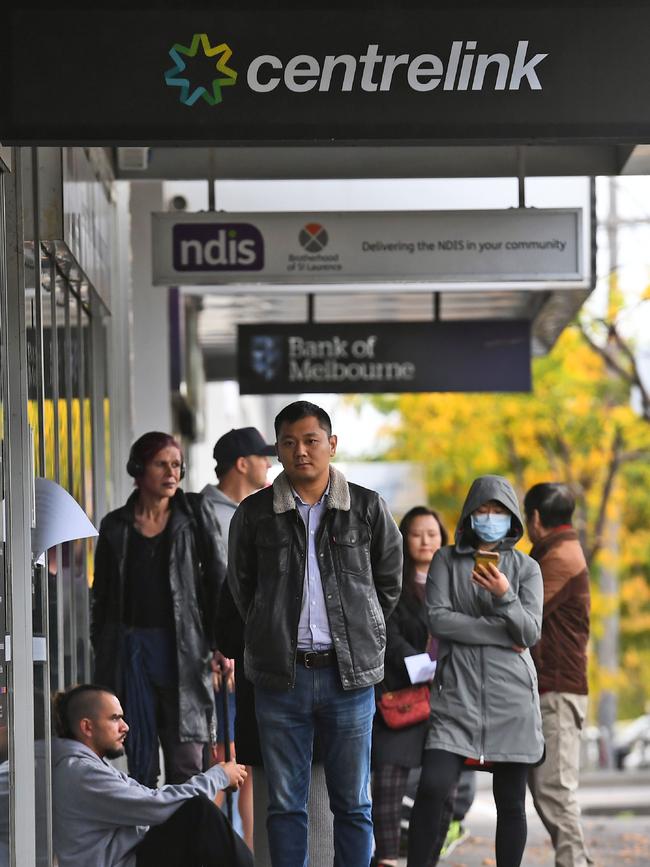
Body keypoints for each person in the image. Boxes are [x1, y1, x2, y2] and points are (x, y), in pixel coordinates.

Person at [228, 399, 403, 867]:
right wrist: (270, 630)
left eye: (311, 440)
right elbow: (242, 588)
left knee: (354, 804)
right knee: (285, 805)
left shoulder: (366, 506)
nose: (301, 451)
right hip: (279, 679)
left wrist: (361, 635)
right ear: (278, 450)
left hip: (348, 679)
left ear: (332, 444)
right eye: (289, 442)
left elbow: (388, 585)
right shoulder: (254, 512)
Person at [407, 474, 544, 867]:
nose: (489, 517)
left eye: (498, 511)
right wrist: (502, 635)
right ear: (469, 515)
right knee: (432, 788)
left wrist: (504, 595)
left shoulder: (526, 568)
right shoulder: (445, 561)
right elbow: (438, 620)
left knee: (511, 802)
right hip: (457, 696)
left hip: (512, 699)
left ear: (512, 518)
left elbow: (530, 631)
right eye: (482, 510)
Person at [91, 431, 227, 786]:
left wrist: (222, 644)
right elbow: (101, 599)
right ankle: (148, 841)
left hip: (184, 652)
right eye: (161, 464)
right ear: (138, 469)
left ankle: (190, 840)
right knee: (140, 763)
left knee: (187, 762)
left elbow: (218, 582)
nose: (171, 473)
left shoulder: (196, 515)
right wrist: (103, 651)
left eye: (177, 465)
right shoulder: (115, 526)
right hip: (131, 654)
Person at [51, 684, 253, 867]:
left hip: (131, 857)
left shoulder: (85, 766)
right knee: (197, 812)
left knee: (194, 822)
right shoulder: (83, 773)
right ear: (87, 727)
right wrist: (219, 776)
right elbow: (157, 806)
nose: (125, 726)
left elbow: (149, 800)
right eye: (114, 718)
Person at [202, 426, 275, 851]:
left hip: (246, 658)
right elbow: (208, 589)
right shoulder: (205, 514)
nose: (269, 465)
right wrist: (218, 645)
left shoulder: (261, 511)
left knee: (246, 761)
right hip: (215, 660)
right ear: (242, 464)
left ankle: (245, 852)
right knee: (219, 756)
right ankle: (216, 851)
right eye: (263, 458)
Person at [371, 506, 449, 867]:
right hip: (399, 692)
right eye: (417, 533)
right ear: (404, 538)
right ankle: (386, 857)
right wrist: (420, 664)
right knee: (388, 779)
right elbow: (384, 629)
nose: (425, 541)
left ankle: (426, 859)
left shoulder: (455, 580)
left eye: (432, 534)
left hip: (445, 696)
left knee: (440, 786)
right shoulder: (389, 579)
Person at [525, 483, 593, 867]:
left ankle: (575, 863)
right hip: (555, 686)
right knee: (548, 787)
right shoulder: (560, 550)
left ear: (535, 518)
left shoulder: (559, 557)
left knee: (553, 789)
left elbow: (524, 614)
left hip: (559, 688)